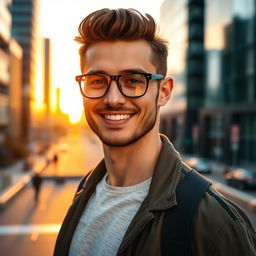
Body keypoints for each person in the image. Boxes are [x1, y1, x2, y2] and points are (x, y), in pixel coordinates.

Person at [54, 8, 256, 256]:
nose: (113, 98)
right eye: (98, 81)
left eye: (133, 80)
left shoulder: (215, 225)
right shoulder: (85, 190)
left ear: (164, 92)